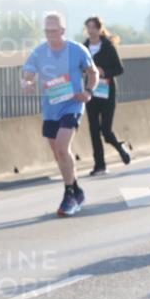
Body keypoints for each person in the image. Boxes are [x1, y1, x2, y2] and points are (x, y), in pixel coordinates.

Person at [22, 12, 99, 215]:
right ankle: (76, 189)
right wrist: (27, 82)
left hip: (72, 105)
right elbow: (28, 73)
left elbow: (93, 73)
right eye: (47, 31)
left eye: (54, 31)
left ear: (63, 31)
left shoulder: (77, 50)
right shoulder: (39, 52)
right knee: (58, 153)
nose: (50, 35)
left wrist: (89, 92)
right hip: (51, 108)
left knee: (63, 148)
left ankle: (69, 195)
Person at [82, 15, 131, 176]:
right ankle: (100, 165)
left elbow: (119, 69)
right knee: (94, 129)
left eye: (93, 27)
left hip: (107, 92)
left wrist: (104, 72)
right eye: (88, 27)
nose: (90, 31)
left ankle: (119, 147)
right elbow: (79, 67)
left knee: (106, 130)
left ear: (99, 29)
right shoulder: (84, 47)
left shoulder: (108, 46)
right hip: (91, 91)